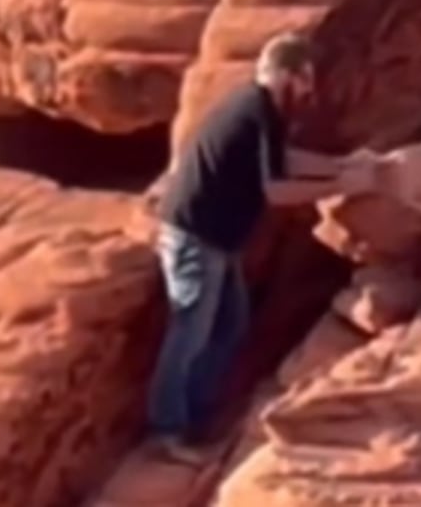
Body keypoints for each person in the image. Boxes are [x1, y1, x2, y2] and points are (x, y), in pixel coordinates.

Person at [149, 32, 369, 463]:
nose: (308, 92)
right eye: (306, 80)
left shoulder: (257, 108)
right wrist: (343, 185)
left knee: (231, 325)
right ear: (288, 74)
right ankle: (168, 430)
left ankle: (196, 418)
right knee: (191, 331)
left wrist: (342, 166)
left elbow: (282, 160)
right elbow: (277, 190)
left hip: (217, 237)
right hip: (196, 237)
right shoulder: (257, 109)